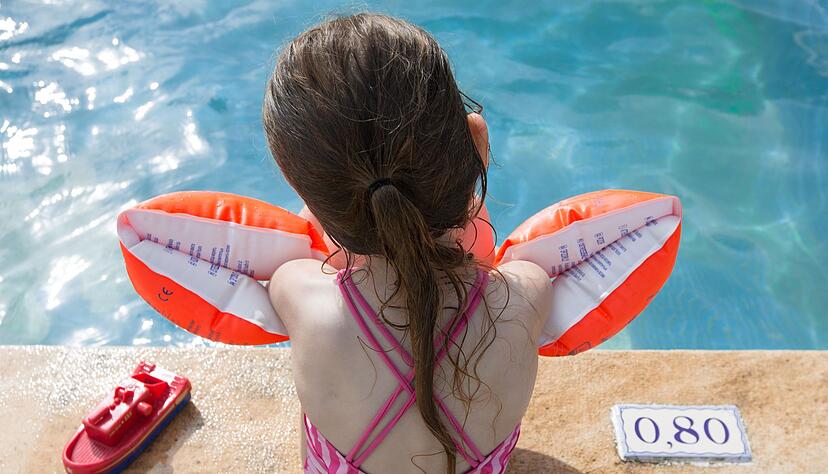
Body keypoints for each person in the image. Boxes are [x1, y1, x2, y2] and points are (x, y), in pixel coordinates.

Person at [263, 13, 552, 474]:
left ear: (303, 190)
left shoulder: (298, 295)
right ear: (477, 142)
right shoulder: (527, 295)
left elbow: (308, 250)